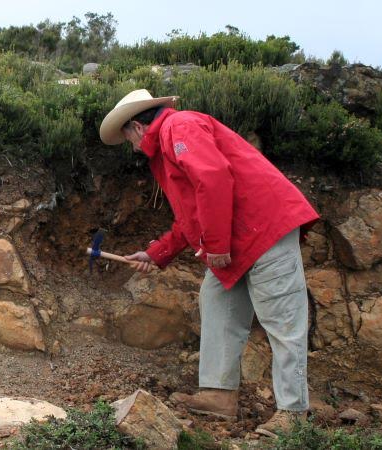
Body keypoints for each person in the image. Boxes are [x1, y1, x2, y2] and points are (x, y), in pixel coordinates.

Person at [99, 89, 320, 437]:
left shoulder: (179, 127)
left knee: (282, 320)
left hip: (263, 229)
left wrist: (216, 244)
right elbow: (192, 214)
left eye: (126, 137)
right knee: (216, 300)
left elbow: (213, 177)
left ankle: (293, 415)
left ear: (137, 127)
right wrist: (157, 253)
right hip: (238, 238)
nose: (130, 146)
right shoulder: (168, 146)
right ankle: (219, 395)